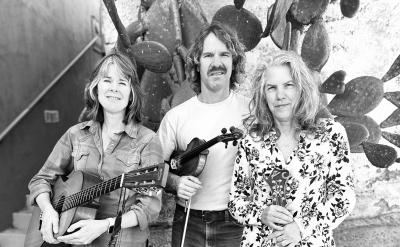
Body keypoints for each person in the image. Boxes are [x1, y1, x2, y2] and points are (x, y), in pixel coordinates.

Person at [28, 51, 163, 247]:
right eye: (107, 80)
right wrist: (48, 210)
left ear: (131, 93)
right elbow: (41, 179)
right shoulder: (76, 134)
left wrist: (105, 225)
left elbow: (149, 208)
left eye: (122, 83)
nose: (114, 88)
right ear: (95, 88)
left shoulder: (148, 140)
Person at [228, 51, 356, 247]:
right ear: (263, 94)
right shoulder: (251, 140)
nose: (280, 95)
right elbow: (236, 201)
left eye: (288, 85)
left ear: (301, 88)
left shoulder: (330, 134)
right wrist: (260, 213)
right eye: (271, 88)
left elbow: (344, 197)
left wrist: (301, 226)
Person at [157, 22, 249, 247]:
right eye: (208, 55)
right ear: (197, 63)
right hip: (189, 220)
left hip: (236, 222)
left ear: (233, 61)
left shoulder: (252, 112)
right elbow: (151, 167)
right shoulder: (176, 116)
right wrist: (175, 182)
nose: (216, 63)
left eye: (224, 54)